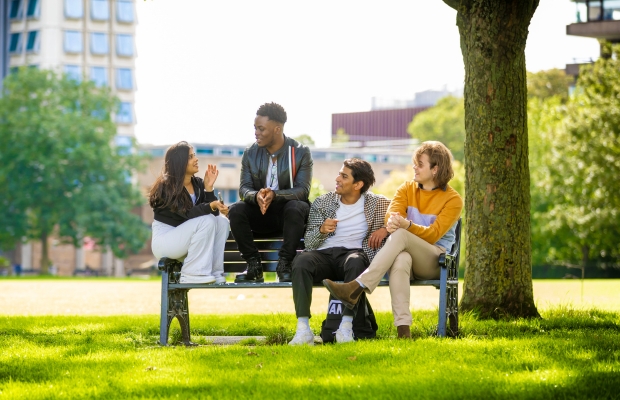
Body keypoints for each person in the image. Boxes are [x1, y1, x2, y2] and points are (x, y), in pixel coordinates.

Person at [323, 141, 463, 339]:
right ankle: (403, 331)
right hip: (407, 254)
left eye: (420, 164)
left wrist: (406, 226)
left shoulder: (453, 200)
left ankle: (357, 286)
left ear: (435, 169)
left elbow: (433, 234)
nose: (414, 167)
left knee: (401, 234)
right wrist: (395, 222)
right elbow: (391, 216)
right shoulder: (407, 188)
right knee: (400, 259)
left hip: (435, 259)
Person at [288, 159, 390, 345]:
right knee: (302, 261)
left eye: (344, 176)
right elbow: (310, 242)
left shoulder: (378, 204)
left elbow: (401, 214)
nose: (337, 179)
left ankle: (346, 327)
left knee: (356, 261)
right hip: (324, 256)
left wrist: (385, 229)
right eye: (339, 174)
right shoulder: (323, 202)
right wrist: (321, 230)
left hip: (352, 256)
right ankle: (303, 329)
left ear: (358, 184)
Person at [228, 102, 313, 283]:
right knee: (236, 210)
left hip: (289, 217)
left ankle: (284, 264)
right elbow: (244, 188)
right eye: (255, 128)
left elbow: (303, 190)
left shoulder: (300, 152)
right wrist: (256, 195)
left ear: (277, 129)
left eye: (261, 129)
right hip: (261, 213)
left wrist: (276, 195)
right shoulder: (250, 153)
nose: (256, 133)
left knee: (296, 206)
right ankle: (253, 266)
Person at [149, 141, 230, 284]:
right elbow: (186, 215)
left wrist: (208, 188)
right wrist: (210, 206)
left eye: (194, 155)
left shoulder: (197, 184)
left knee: (222, 221)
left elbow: (214, 218)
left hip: (188, 241)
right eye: (191, 156)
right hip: (165, 241)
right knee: (207, 220)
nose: (196, 159)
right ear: (180, 162)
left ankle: (215, 272)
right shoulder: (166, 186)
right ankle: (192, 273)